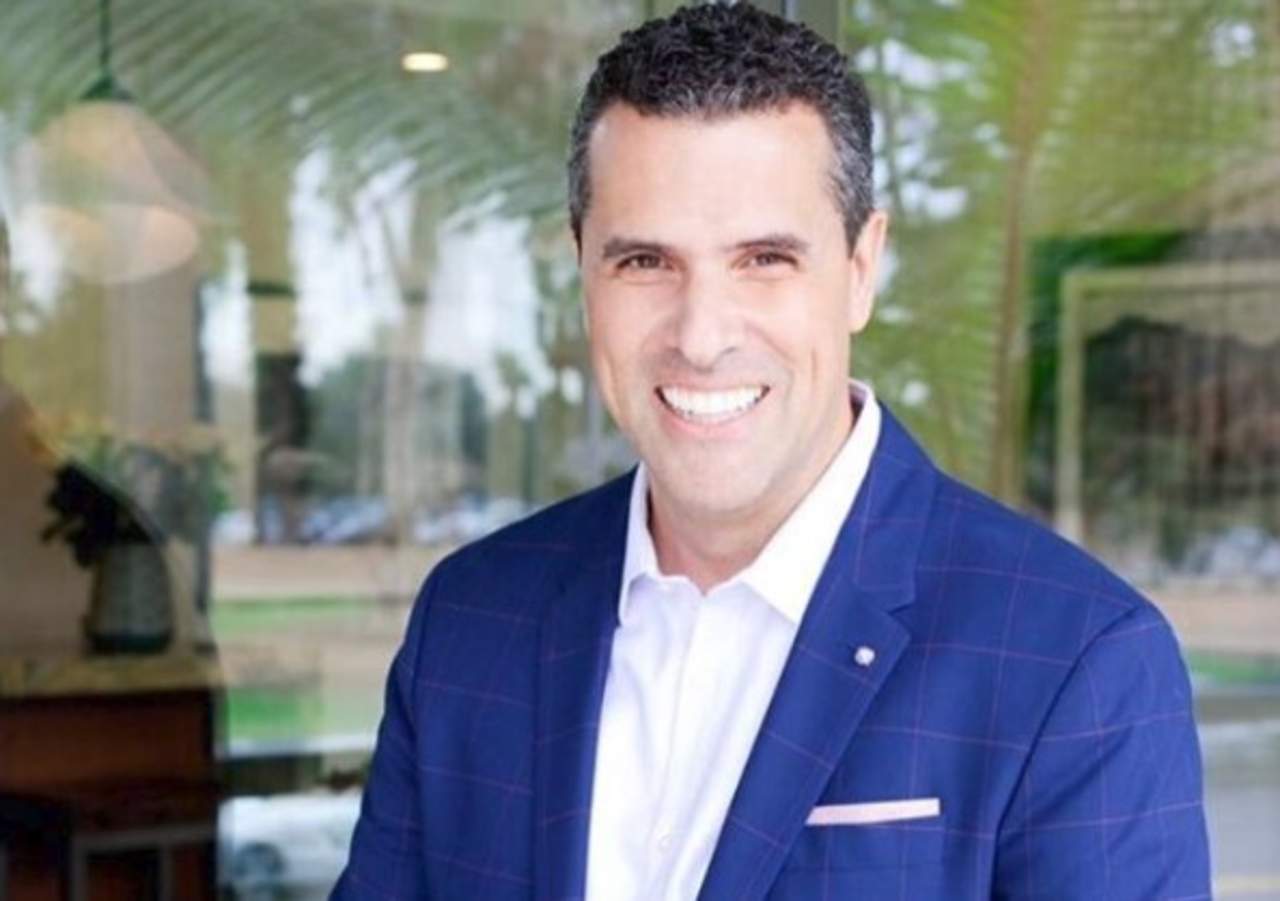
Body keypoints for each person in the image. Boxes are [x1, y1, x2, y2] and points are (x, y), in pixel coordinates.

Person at [333, 4, 1211, 898]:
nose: (702, 335)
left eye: (763, 259)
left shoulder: (1077, 660)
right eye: (645, 262)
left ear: (862, 267)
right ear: (583, 268)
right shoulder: (471, 618)